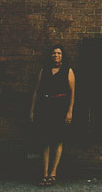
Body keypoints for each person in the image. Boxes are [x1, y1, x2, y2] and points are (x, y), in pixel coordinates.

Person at [29, 45, 75, 187]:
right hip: (45, 107)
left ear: (62, 56)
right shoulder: (44, 71)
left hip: (60, 108)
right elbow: (36, 91)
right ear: (51, 56)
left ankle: (53, 173)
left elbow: (72, 93)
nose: (56, 55)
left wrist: (69, 111)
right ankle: (44, 174)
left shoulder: (68, 71)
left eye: (59, 53)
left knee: (58, 139)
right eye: (54, 53)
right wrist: (32, 110)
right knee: (45, 141)